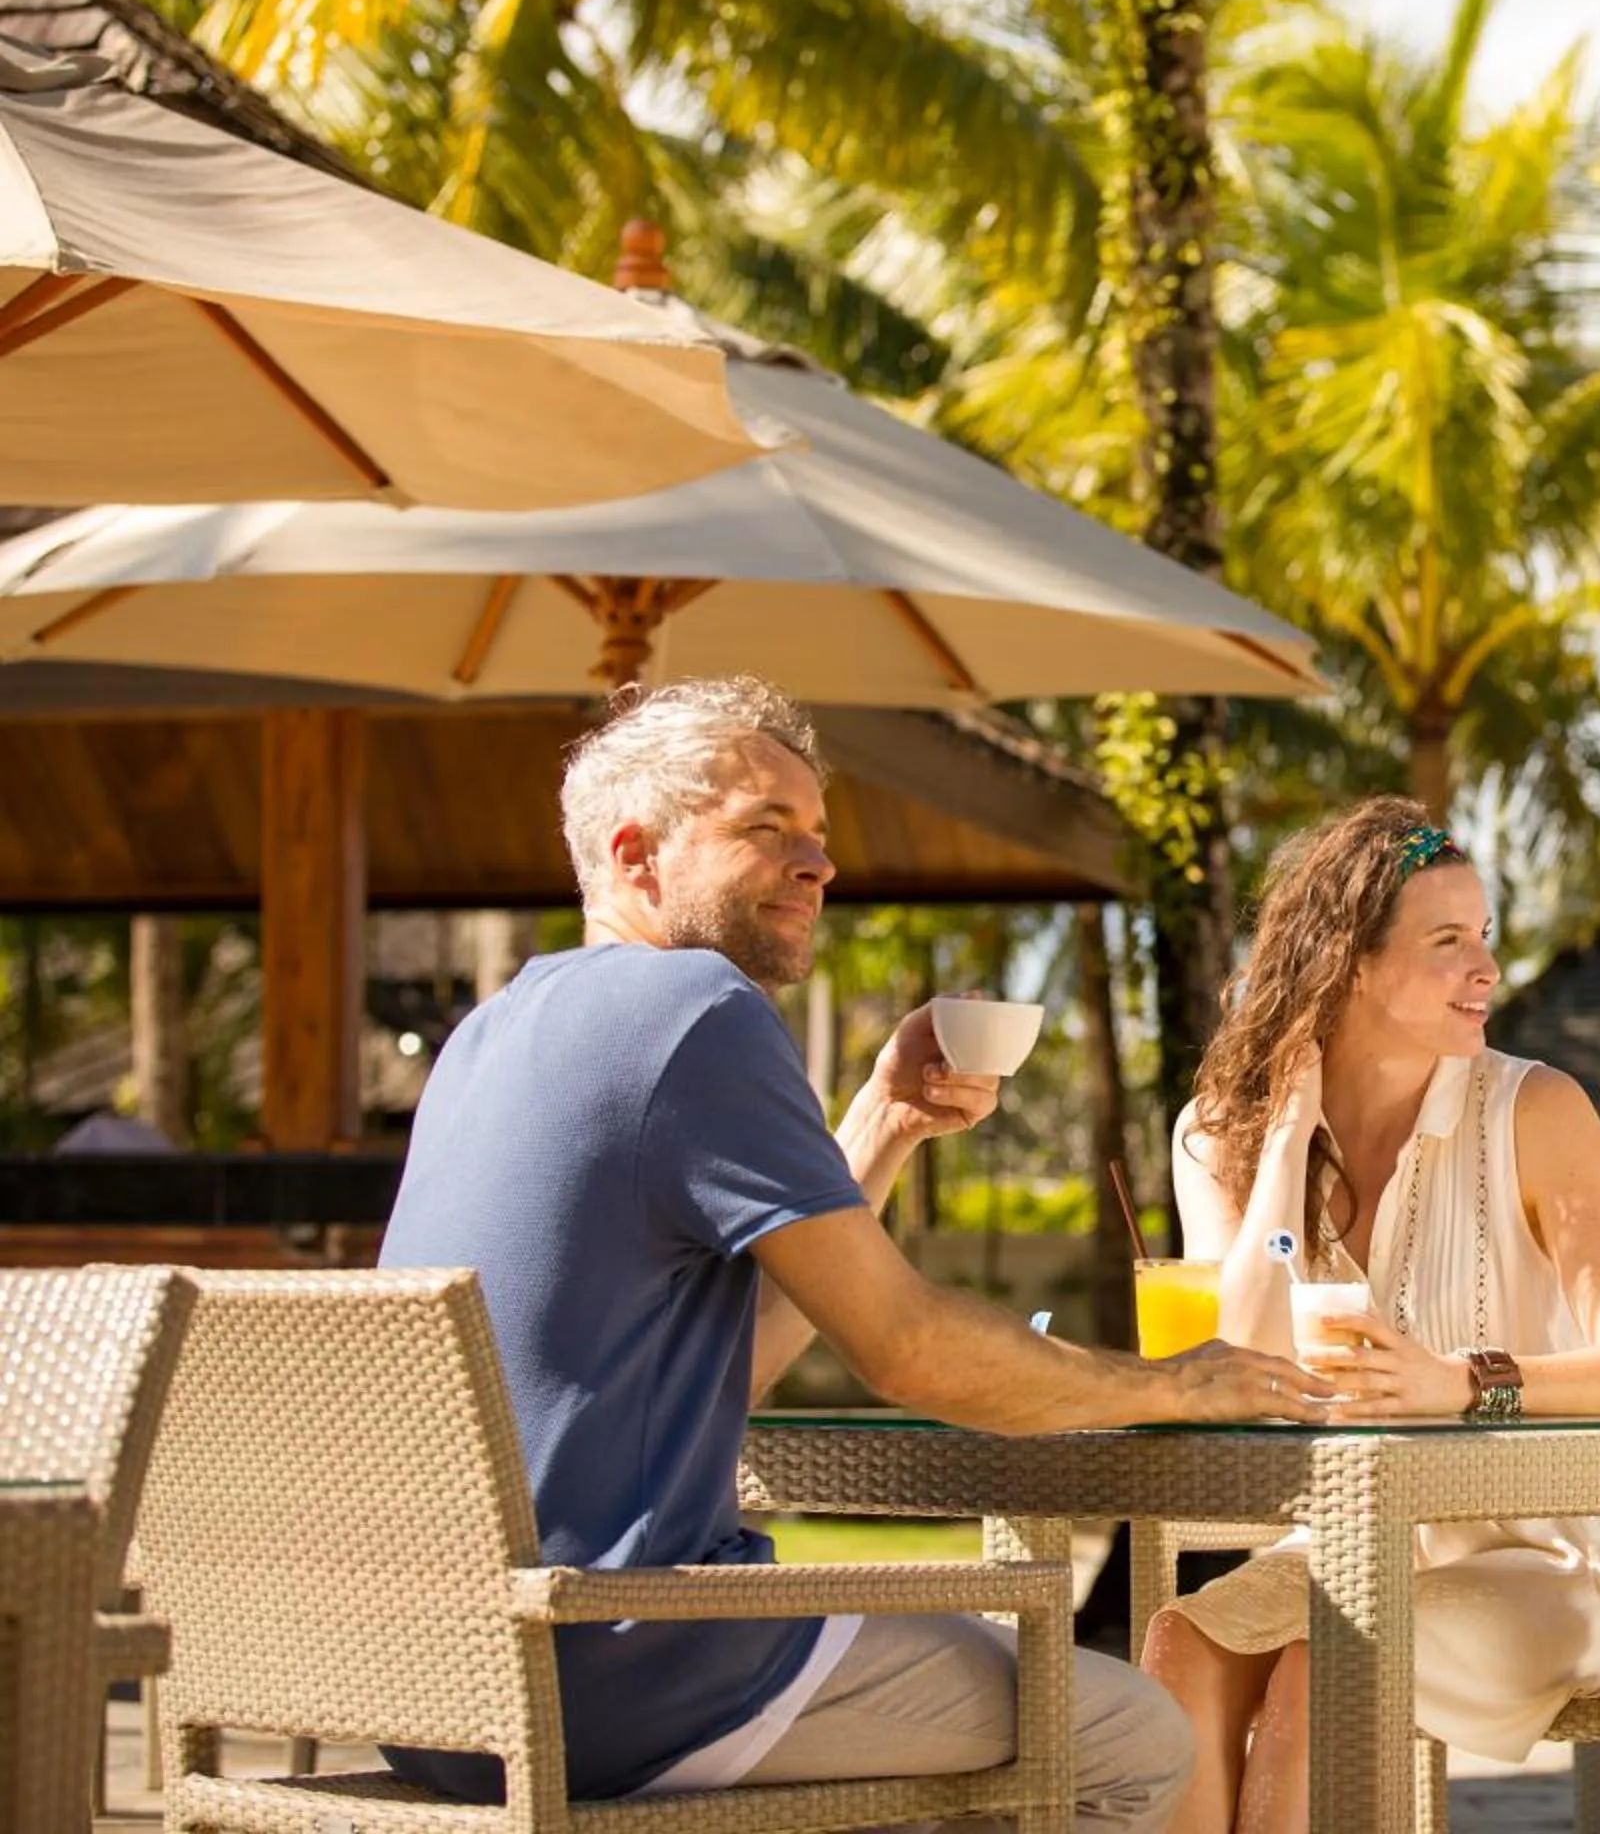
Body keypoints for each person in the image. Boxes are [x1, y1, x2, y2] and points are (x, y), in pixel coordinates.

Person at [378, 676, 1324, 1826]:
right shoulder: (694, 1010)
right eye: (764, 829)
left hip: (442, 1689)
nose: (817, 863)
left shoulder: (495, 1029)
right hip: (617, 1670)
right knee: (1126, 1731)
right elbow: (911, 1351)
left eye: (818, 835)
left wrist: (879, 1123)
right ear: (635, 854)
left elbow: (737, 1369)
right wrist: (1176, 1381)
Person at [1139, 799, 1600, 1834]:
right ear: (1343, 965)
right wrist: (1289, 1135)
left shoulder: (1536, 1110)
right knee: (1182, 1646)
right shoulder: (1225, 1134)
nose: (1485, 967)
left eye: (1484, 935)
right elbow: (1234, 1366)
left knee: (1324, 1662)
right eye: (1448, 941)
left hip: (1562, 1565)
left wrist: (1463, 1381)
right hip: (1356, 1546)